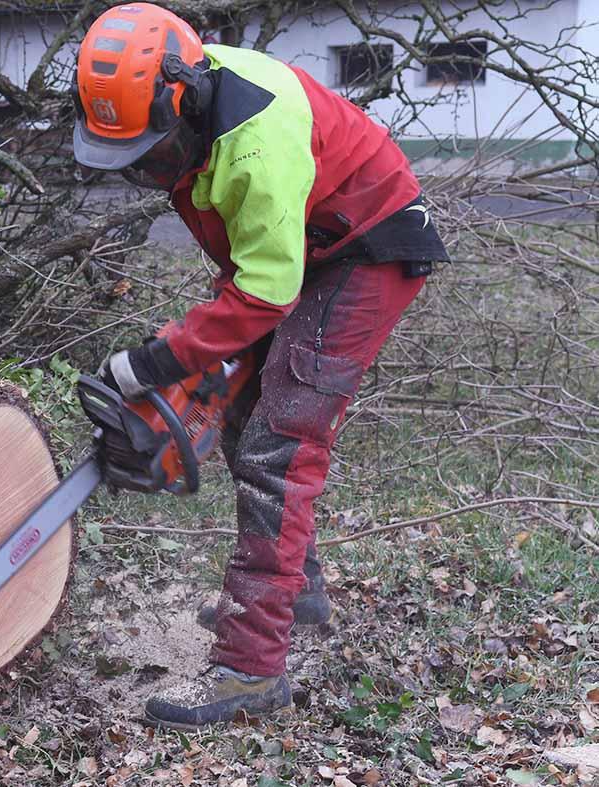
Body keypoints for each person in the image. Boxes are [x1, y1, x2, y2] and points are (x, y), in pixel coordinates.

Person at [72, 3, 449, 729]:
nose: (150, 168)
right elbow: (253, 268)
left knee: (281, 445)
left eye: (154, 151)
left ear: (180, 102)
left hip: (363, 245)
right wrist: (198, 366)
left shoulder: (252, 144)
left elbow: (263, 289)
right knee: (246, 415)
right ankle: (291, 594)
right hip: (304, 241)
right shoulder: (188, 98)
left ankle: (250, 668)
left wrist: (159, 356)